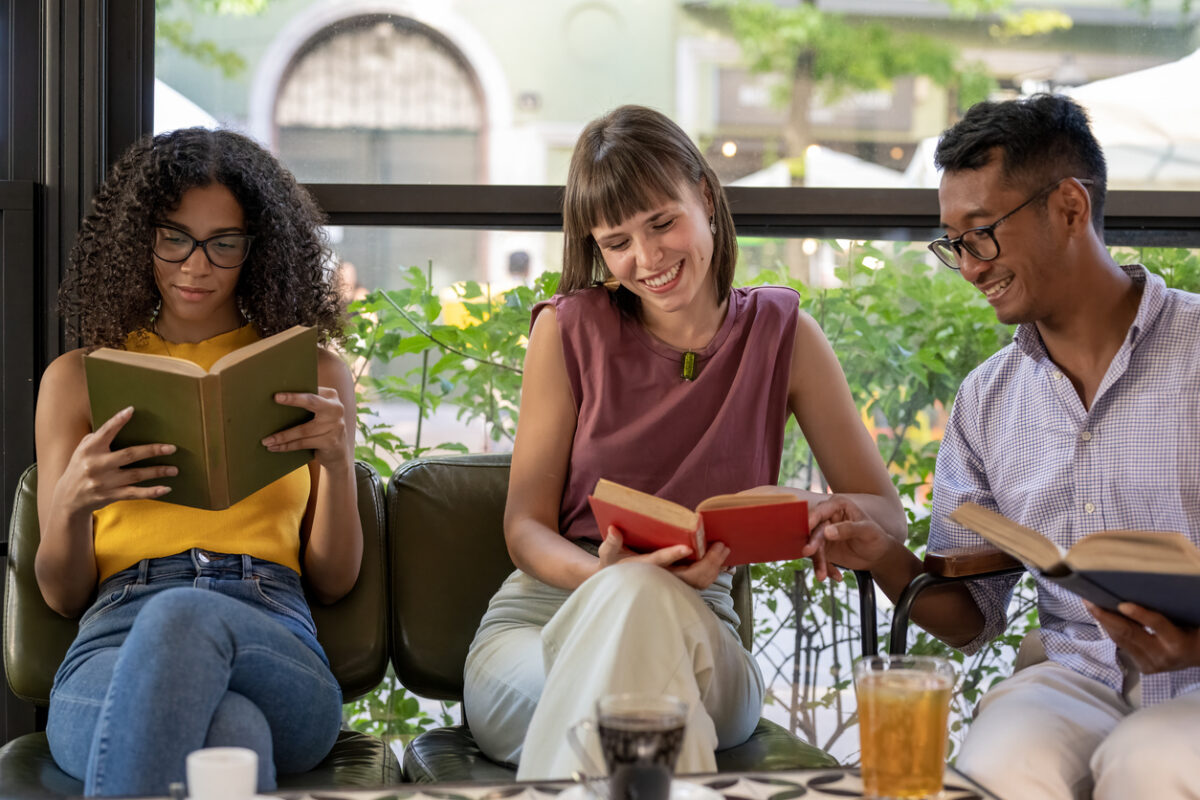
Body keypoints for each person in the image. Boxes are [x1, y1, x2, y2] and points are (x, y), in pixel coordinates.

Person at [461, 105, 906, 779]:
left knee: (629, 674)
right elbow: (524, 527)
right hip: (545, 623)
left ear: (704, 194)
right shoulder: (567, 330)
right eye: (616, 242)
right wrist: (611, 577)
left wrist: (815, 510)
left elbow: (887, 515)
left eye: (661, 223)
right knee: (646, 689)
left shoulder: (785, 335)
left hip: (703, 634)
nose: (647, 260)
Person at [806, 94, 1200, 799]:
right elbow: (969, 619)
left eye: (980, 234)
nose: (968, 266)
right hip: (1076, 676)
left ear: (1070, 209)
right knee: (998, 763)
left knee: (1151, 759)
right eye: (953, 242)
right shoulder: (988, 399)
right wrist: (882, 556)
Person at [36, 128, 361, 797]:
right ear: (140, 237)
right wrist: (71, 505)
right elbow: (61, 594)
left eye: (224, 243)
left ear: (257, 249)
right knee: (230, 731)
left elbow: (333, 580)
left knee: (185, 617)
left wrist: (336, 462)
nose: (196, 265)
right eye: (173, 237)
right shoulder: (77, 379)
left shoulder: (313, 371)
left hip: (271, 633)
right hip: (115, 638)